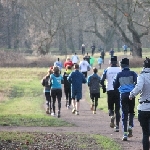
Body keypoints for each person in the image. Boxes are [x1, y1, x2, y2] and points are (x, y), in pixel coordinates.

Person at [113, 58, 137, 141]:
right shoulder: (133, 73)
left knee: (124, 114)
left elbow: (115, 86)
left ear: (121, 66)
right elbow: (137, 83)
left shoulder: (119, 74)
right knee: (131, 112)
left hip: (123, 95)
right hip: (131, 95)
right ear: (128, 65)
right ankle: (130, 125)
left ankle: (125, 134)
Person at [129, 57, 150, 150]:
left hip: (144, 107)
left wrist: (132, 94)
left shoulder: (142, 76)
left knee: (145, 133)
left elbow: (139, 87)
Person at [101, 56, 121, 132]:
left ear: (110, 62)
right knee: (117, 109)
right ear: (116, 62)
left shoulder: (107, 70)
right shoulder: (120, 70)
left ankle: (112, 116)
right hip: (118, 91)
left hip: (110, 90)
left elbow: (102, 80)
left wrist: (103, 88)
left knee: (110, 107)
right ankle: (117, 126)